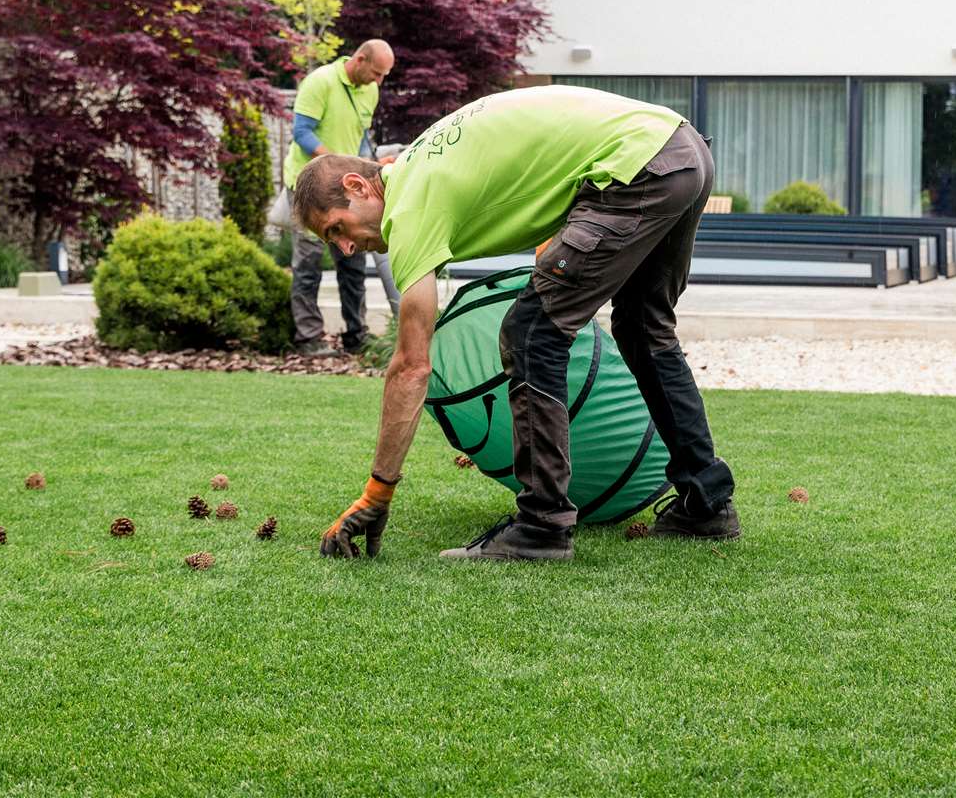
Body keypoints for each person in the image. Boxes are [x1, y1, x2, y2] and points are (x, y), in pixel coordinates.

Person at [292, 84, 739, 562]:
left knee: (530, 333)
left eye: (337, 228)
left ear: (358, 187)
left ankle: (542, 526)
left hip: (637, 167)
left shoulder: (409, 206)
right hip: (678, 150)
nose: (345, 248)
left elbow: (411, 366)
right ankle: (705, 502)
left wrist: (376, 494)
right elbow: (536, 170)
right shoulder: (423, 166)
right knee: (643, 331)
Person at [284, 39, 395, 355]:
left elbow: (360, 139)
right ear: (359, 59)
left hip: (346, 191)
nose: (379, 81)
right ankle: (309, 337)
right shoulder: (320, 82)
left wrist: (369, 169)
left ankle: (356, 336)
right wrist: (333, 166)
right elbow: (302, 133)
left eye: (383, 75)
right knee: (307, 264)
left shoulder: (369, 90)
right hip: (307, 189)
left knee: (353, 261)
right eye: (376, 73)